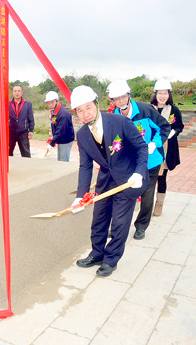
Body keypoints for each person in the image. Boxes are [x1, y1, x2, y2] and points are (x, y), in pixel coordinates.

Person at [71, 85, 148, 277]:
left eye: (88, 107)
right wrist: (80, 196)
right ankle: (97, 253)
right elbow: (86, 166)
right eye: (79, 110)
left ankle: (111, 259)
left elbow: (141, 148)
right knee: (99, 220)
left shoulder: (120, 122)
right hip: (105, 181)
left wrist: (138, 173)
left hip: (129, 179)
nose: (85, 113)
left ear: (97, 104)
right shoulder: (82, 135)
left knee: (120, 223)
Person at [107, 79, 170, 240]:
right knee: (124, 194)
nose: (121, 101)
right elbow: (116, 139)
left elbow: (164, 127)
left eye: (123, 96)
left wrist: (154, 144)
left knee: (147, 194)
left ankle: (141, 226)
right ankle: (119, 226)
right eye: (116, 98)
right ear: (112, 100)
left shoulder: (145, 110)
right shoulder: (113, 117)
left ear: (128, 95)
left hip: (151, 160)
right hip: (130, 163)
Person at [150, 79, 184, 216]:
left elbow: (179, 126)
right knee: (148, 176)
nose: (162, 96)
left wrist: (173, 132)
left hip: (166, 148)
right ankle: (145, 202)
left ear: (169, 94)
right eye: (160, 93)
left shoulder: (173, 110)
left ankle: (159, 203)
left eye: (165, 93)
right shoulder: (148, 109)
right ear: (155, 94)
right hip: (151, 148)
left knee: (161, 177)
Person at [44, 91, 75, 162]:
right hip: (61, 139)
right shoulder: (54, 111)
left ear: (57, 101)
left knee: (63, 161)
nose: (50, 105)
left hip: (66, 140)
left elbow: (60, 131)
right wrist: (53, 139)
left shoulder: (63, 114)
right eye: (48, 103)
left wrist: (52, 143)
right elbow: (53, 123)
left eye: (52, 102)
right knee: (60, 160)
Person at [9, 85, 34, 157]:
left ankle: (27, 167)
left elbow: (31, 118)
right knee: (8, 152)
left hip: (23, 132)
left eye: (18, 91)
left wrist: (31, 130)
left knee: (26, 153)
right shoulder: (8, 104)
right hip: (11, 132)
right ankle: (9, 167)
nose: (17, 93)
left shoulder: (27, 104)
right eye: (15, 91)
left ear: (22, 92)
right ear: (12, 93)